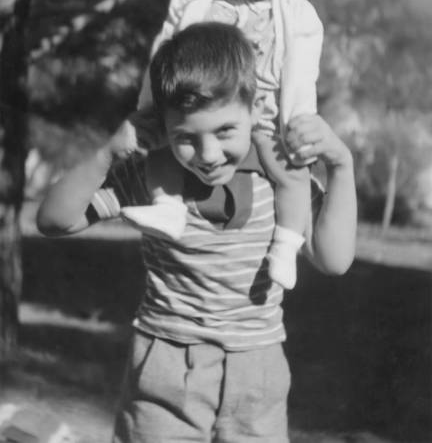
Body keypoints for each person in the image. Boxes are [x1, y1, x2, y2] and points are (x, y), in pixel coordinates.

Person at [37, 23, 357, 443]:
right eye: (185, 138)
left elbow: (334, 259)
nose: (208, 155)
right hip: (167, 365)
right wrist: (106, 154)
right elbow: (55, 221)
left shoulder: (283, 179)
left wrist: (341, 165)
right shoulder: (151, 178)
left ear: (258, 108)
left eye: (225, 131)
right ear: (163, 128)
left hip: (257, 372)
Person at [125, 0, 324, 290]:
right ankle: (168, 206)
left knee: (292, 172)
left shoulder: (297, 14)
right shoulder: (195, 0)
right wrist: (151, 105)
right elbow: (165, 51)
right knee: (163, 145)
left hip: (264, 111)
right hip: (203, 109)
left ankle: (286, 245)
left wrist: (301, 120)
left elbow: (304, 69)